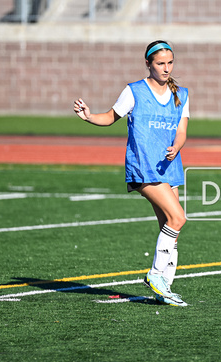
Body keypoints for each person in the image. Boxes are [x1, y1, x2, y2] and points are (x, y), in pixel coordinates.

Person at [74, 40, 189, 307]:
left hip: (170, 167)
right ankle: (156, 275)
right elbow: (110, 117)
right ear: (148, 63)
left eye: (170, 62)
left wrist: (177, 147)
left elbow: (182, 131)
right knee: (178, 218)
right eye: (160, 63)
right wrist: (90, 116)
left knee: (169, 226)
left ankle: (165, 288)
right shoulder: (134, 91)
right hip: (143, 166)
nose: (166, 68)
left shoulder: (181, 93)